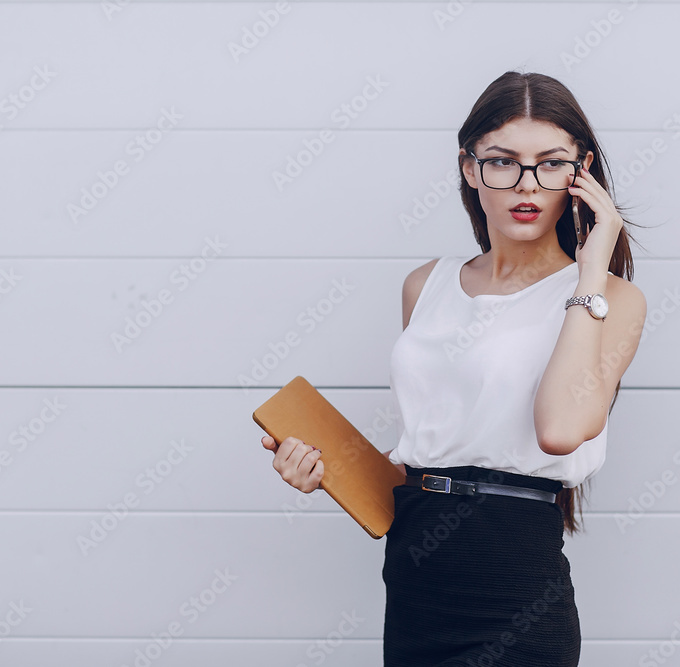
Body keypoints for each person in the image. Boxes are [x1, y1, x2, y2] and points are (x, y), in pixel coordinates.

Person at [262, 70, 647, 667]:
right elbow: (433, 452)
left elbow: (561, 430)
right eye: (502, 161)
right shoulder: (427, 285)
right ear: (470, 168)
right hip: (418, 583)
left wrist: (592, 268)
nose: (527, 183)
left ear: (582, 172)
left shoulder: (609, 299)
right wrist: (325, 469)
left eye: (550, 163)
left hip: (517, 590)